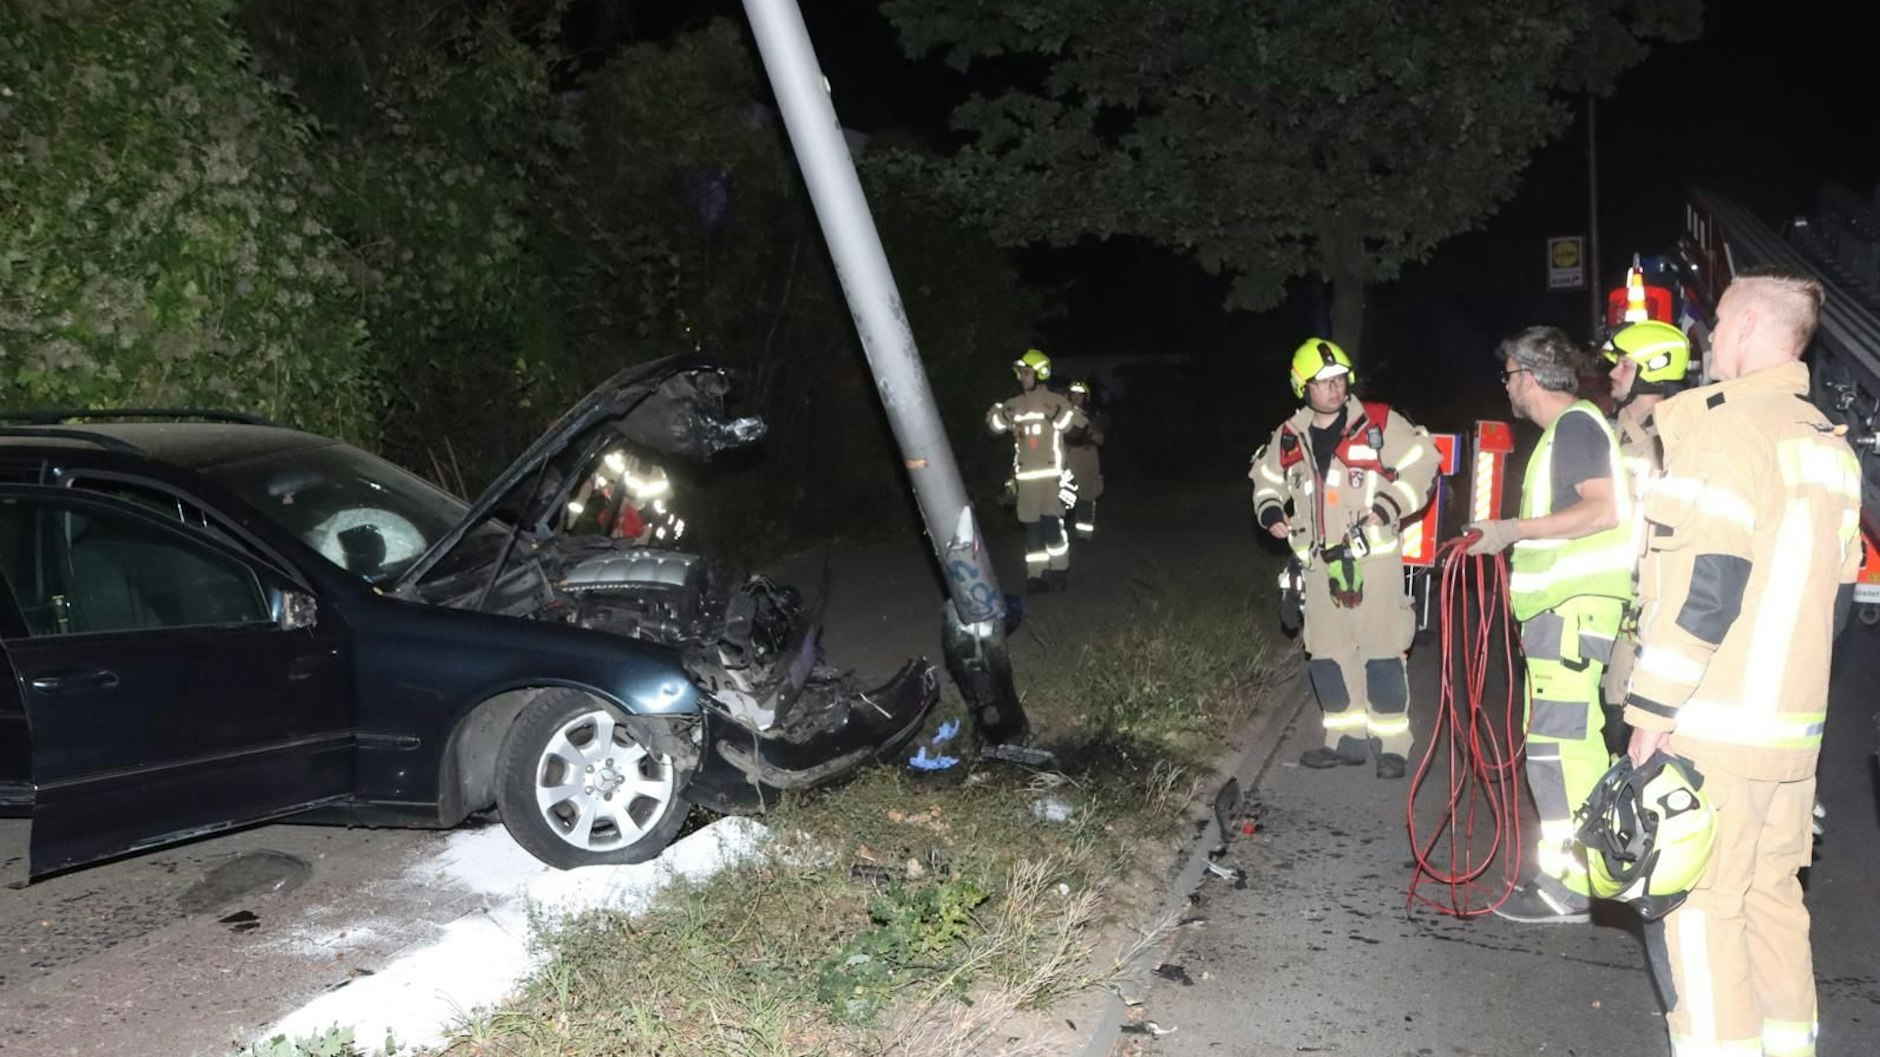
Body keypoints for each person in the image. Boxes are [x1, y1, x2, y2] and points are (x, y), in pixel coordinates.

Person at [1620, 269, 1860, 1056]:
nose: (1709, 334)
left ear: (1753, 327)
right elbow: (1840, 597)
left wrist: (1650, 713)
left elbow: (1706, 589)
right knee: (1773, 902)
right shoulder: (1829, 444)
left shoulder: (1726, 431)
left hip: (1713, 728)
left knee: (1701, 907)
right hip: (1792, 737)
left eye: (1718, 320)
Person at [1465, 326, 1634, 923]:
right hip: (1560, 613)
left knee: (1563, 748)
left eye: (1509, 376)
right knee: (1558, 744)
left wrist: (1509, 530)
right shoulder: (1570, 431)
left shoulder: (1577, 427)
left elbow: (1602, 509)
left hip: (1571, 609)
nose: (1507, 388)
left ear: (1528, 376)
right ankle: (1574, 877)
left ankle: (1576, 885)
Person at [1251, 338, 1438, 779]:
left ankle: (1393, 744)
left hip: (1372, 563)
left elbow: (1424, 463)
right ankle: (1345, 740)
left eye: (1340, 380)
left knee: (1381, 653)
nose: (1335, 388)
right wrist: (1271, 509)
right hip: (1316, 568)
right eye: (1323, 382)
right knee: (1328, 655)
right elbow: (1264, 479)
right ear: (1302, 387)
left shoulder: (1378, 423)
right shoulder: (1288, 435)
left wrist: (1390, 505)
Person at [1598, 319, 1695, 751]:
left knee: (1623, 712)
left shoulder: (1680, 442)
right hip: (1597, 597)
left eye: (1623, 365)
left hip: (1642, 604)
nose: (1613, 373)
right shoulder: (1604, 433)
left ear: (1653, 369)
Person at [988, 349, 1085, 592]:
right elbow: (993, 428)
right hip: (1026, 480)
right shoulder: (1014, 405)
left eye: (1027, 372)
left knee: (1052, 527)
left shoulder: (1056, 402)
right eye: (1020, 373)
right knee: (1031, 530)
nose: (1022, 377)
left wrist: (1056, 415)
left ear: (1040, 373)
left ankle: (1060, 570)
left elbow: (1078, 429)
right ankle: (1035, 576)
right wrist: (1001, 414)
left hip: (1052, 478)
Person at [1062, 380, 1105, 541]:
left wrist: (1090, 430)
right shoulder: (1062, 414)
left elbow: (1100, 440)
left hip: (1087, 460)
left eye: (1080, 395)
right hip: (1066, 458)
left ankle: (1084, 534)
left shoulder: (1093, 416)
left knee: (1087, 496)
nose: (1076, 397)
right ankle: (1060, 531)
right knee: (1062, 496)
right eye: (1073, 394)